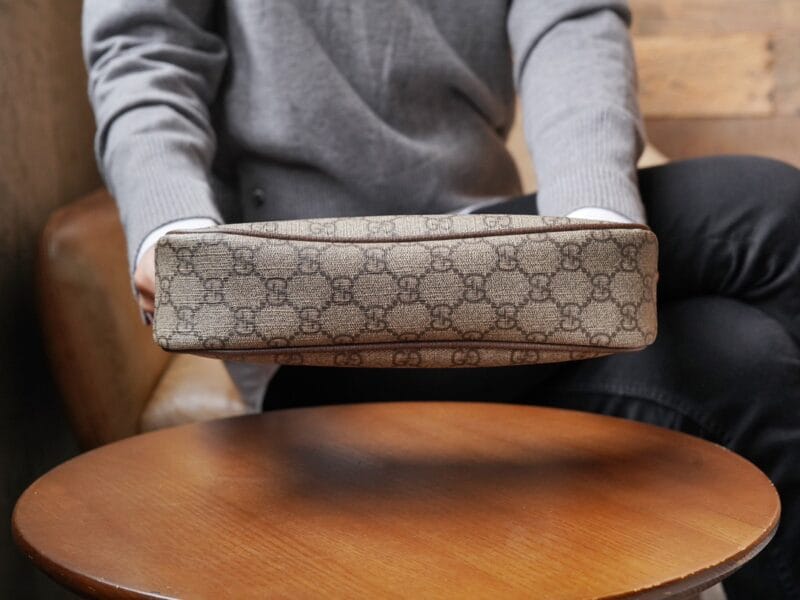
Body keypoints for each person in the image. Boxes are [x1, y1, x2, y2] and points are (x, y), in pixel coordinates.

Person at [82, 1, 799, 597]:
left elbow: (569, 23)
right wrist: (169, 227)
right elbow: (145, 49)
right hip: (303, 309)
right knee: (770, 207)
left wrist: (591, 230)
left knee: (745, 360)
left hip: (489, 261)